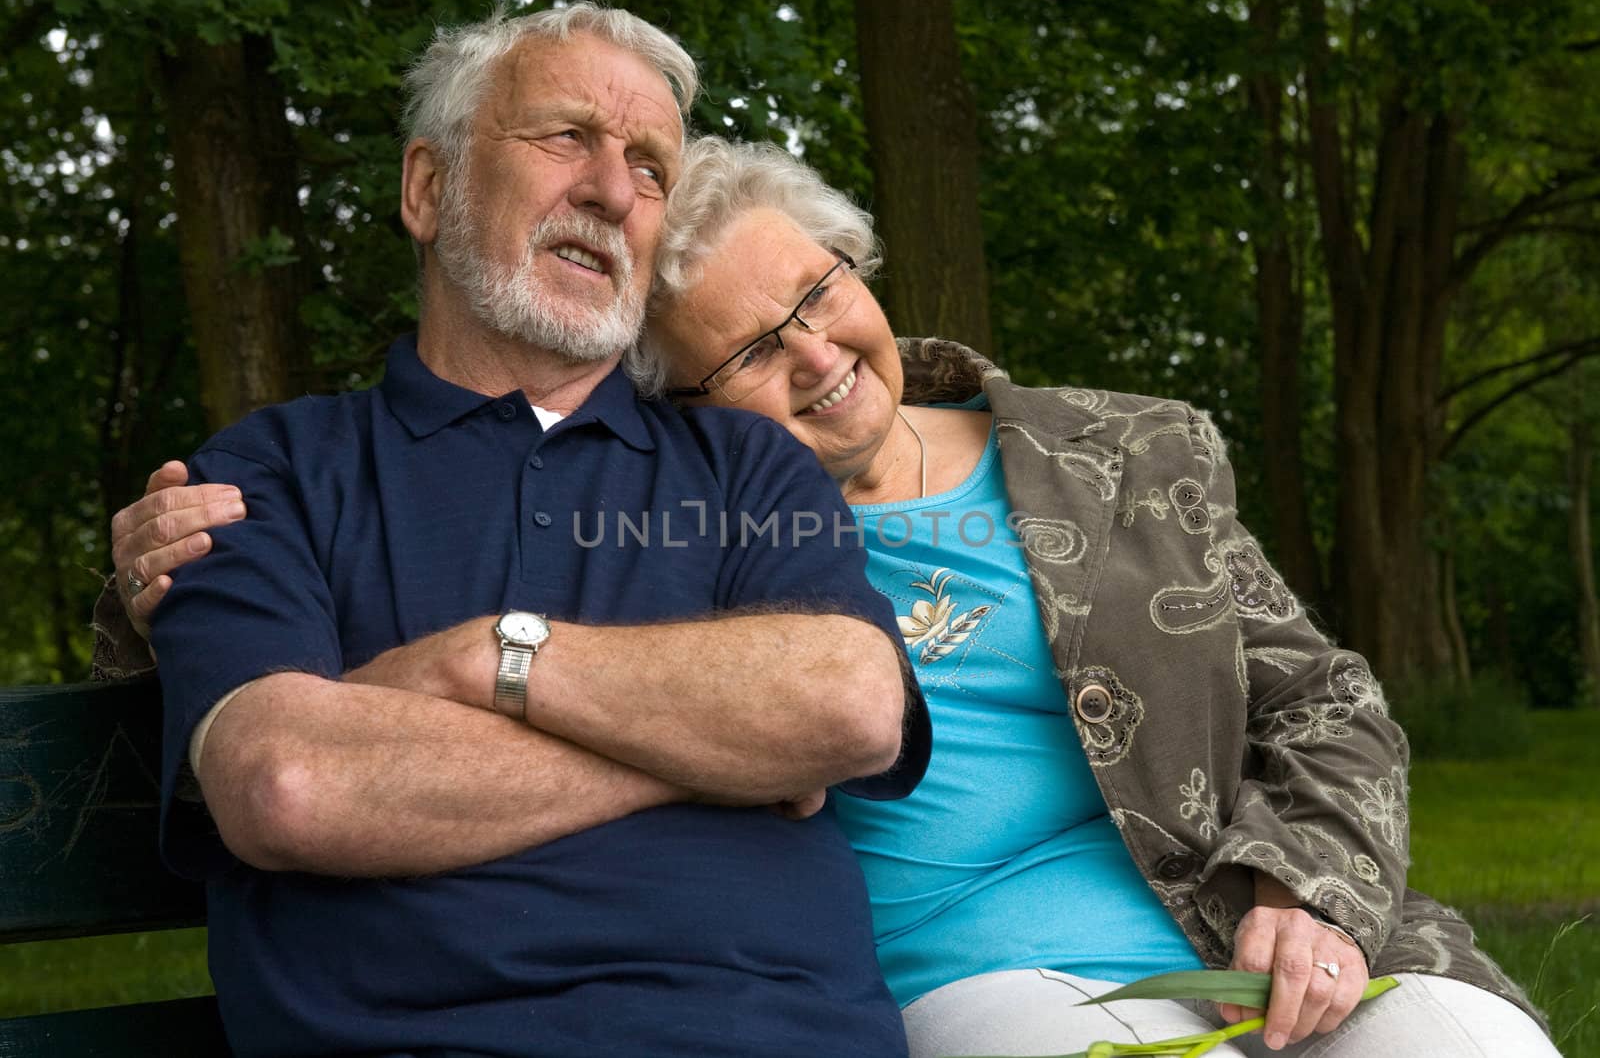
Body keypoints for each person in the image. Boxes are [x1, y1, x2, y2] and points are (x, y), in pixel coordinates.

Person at [102, 136, 1558, 1058]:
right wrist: (157, 582)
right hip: (987, 983)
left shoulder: (1129, 446)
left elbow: (1324, 696)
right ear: (680, 400)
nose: (815, 354)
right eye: (749, 352)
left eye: (817, 292)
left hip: (1250, 925)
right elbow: (392, 585)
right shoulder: (682, 523)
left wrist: (1306, 885)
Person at [100, 8, 931, 1058]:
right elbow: (290, 781)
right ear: (428, 189)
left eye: (648, 166)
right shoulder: (262, 477)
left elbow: (849, 706)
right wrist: (723, 745)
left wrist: (481, 655)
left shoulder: (744, 461)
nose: (612, 190)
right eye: (566, 137)